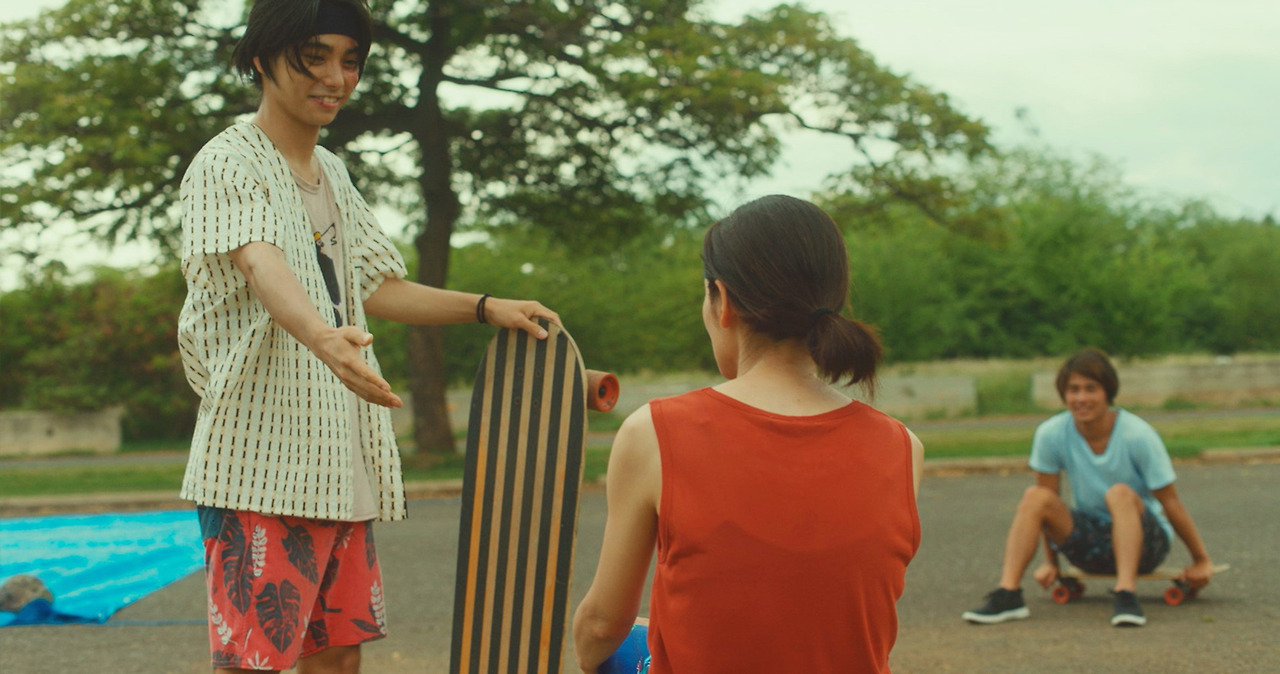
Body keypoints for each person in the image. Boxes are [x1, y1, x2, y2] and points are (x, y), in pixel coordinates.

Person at [176, 1, 558, 672]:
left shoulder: (333, 173)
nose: (336, 78)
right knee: (252, 664)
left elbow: (378, 286)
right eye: (314, 58)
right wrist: (324, 337)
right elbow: (261, 262)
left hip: (335, 461)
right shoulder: (227, 161)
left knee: (339, 659)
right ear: (262, 60)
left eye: (349, 61)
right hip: (259, 463)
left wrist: (486, 307)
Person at [572, 195, 925, 674]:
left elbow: (600, 627)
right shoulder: (903, 447)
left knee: (620, 646)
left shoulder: (654, 432)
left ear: (723, 302)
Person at [962, 348, 1214, 627]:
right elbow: (1047, 506)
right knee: (1035, 496)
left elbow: (1171, 502)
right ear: (1064, 395)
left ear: (1108, 392)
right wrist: (1052, 564)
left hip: (1145, 545)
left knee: (1119, 493)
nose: (1081, 398)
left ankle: (1126, 593)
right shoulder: (1051, 433)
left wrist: (1201, 559)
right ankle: (1008, 594)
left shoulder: (1138, 435)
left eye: (1091, 389)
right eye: (1073, 390)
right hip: (1090, 546)